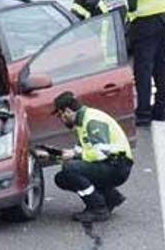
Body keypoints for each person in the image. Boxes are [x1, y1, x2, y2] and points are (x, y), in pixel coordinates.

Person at [36, 91, 133, 223]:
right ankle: (111, 198)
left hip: (118, 166)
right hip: (110, 164)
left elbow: (100, 153)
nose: (61, 120)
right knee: (62, 178)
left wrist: (75, 156)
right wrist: (53, 156)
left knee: (70, 169)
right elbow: (78, 153)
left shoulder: (92, 121)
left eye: (60, 116)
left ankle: (98, 209)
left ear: (68, 111)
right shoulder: (82, 123)